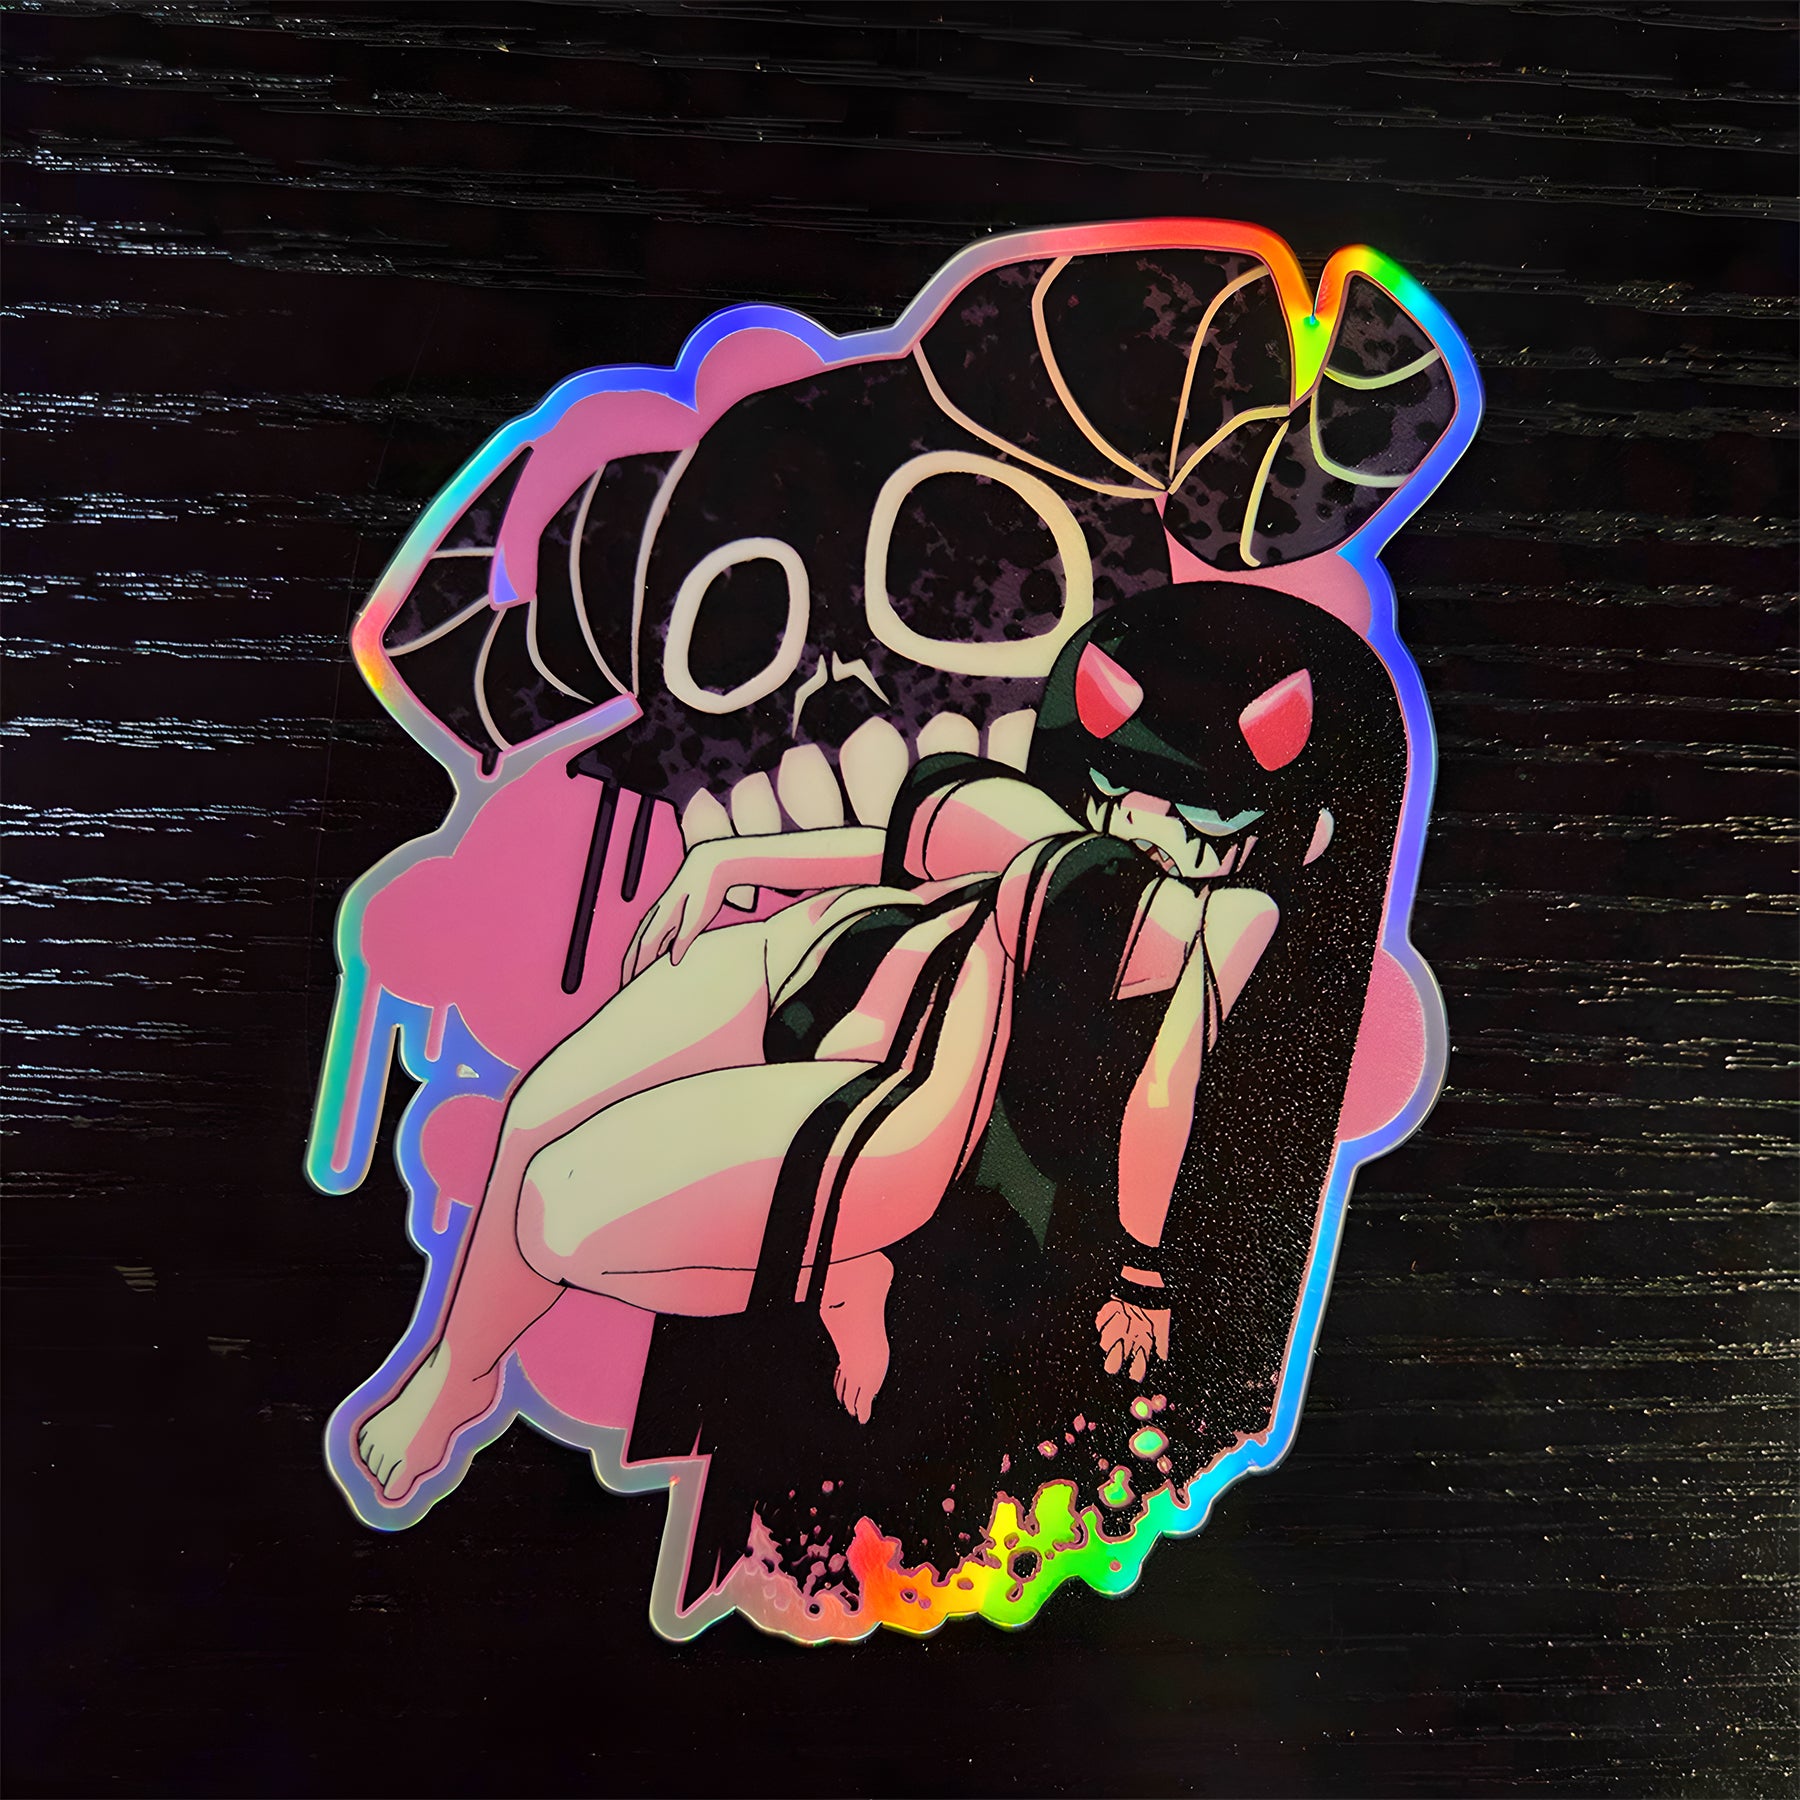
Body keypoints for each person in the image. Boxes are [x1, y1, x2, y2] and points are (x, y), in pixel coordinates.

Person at [354, 583, 1395, 1520]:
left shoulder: (1224, 918)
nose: (1150, 821)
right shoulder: (1039, 816)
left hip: (895, 1089)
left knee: (552, 1209)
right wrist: (738, 858)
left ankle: (840, 1273)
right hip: (806, 955)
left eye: (1200, 809)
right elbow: (912, 855)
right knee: (536, 1111)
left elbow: (1168, 1086)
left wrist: (1141, 1272)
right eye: (1132, 791)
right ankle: (457, 1372)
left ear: (1292, 834)